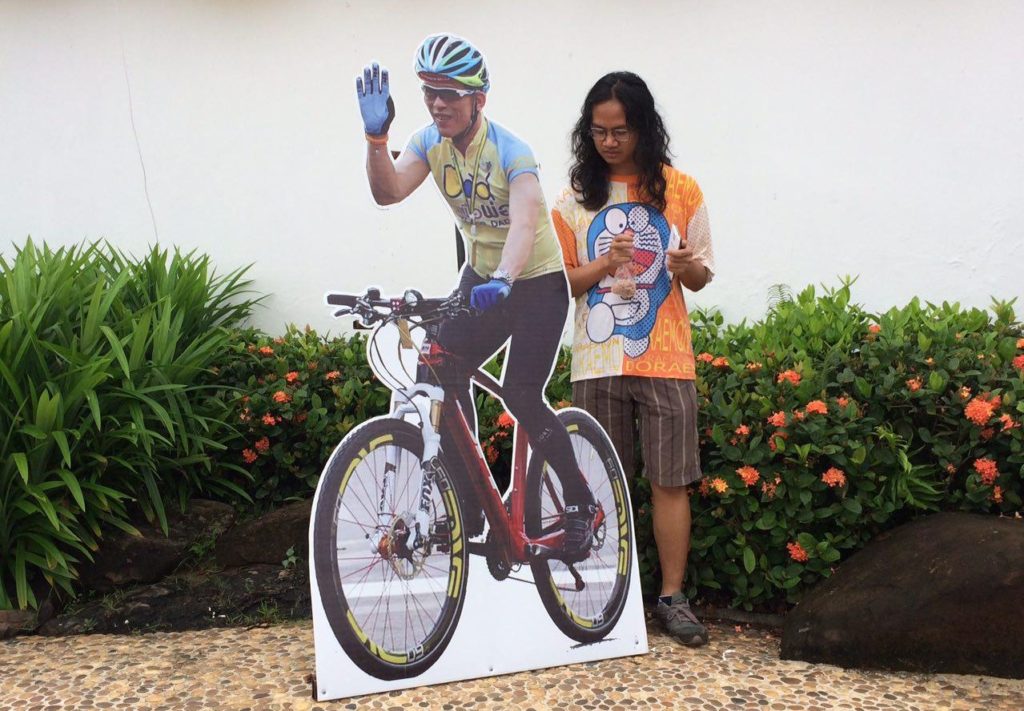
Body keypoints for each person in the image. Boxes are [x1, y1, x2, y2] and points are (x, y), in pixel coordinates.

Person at [355, 34, 595, 559]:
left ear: (478, 100)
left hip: (535, 283)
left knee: (521, 395)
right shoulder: (428, 142)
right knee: (438, 370)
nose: (437, 104)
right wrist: (376, 139)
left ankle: (580, 500)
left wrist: (505, 278)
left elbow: (525, 224)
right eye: (429, 92)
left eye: (449, 94)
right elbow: (388, 192)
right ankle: (470, 505)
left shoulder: (512, 151)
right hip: (481, 277)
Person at [551, 71, 716, 645]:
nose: (609, 142)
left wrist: (685, 267)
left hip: (666, 358)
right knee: (599, 484)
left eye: (620, 130)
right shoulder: (573, 200)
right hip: (597, 362)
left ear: (643, 127)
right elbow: (561, 283)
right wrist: (604, 263)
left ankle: (672, 598)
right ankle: (609, 598)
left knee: (671, 482)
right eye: (598, 131)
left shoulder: (683, 191)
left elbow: (700, 275)